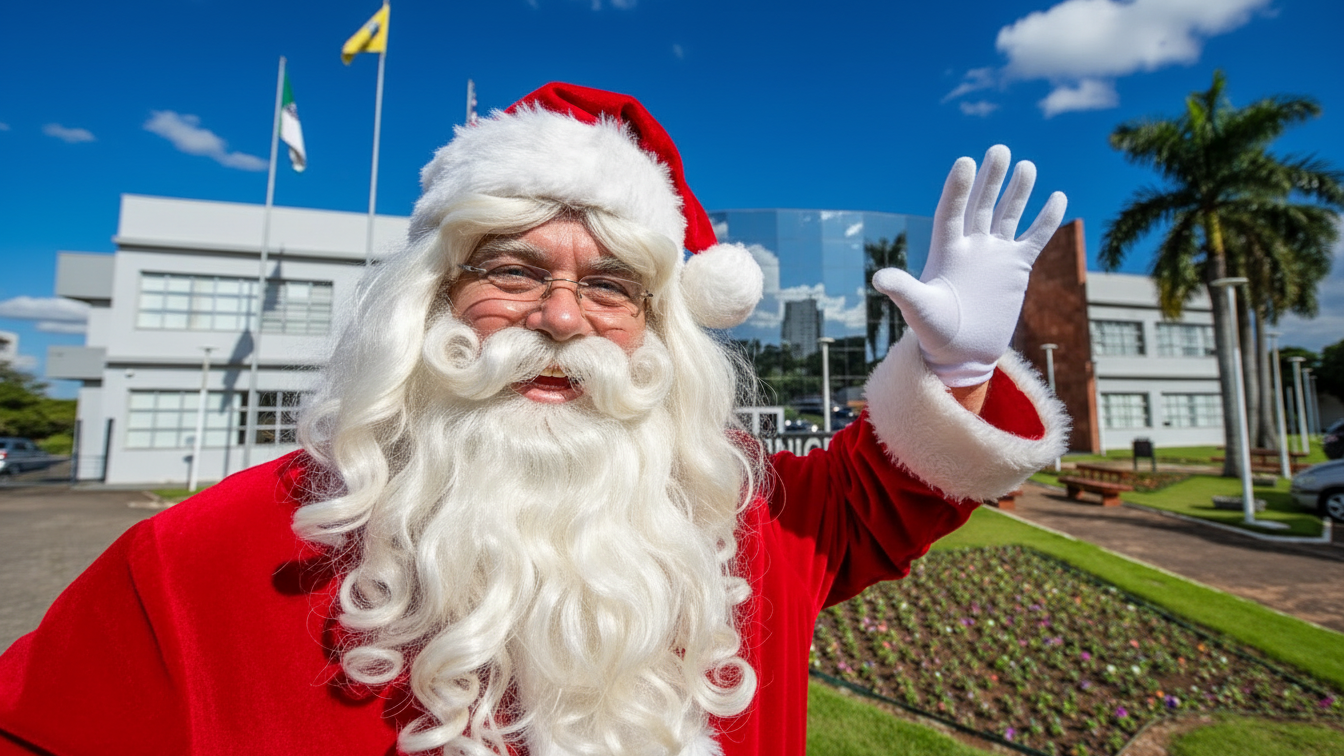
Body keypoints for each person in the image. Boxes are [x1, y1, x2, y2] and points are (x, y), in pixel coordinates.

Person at [0, 83, 1067, 756]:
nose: (561, 316)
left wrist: (957, 369)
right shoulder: (193, 564)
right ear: (429, 302)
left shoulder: (746, 524)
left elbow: (894, 489)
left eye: (612, 288)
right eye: (511, 270)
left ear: (661, 329)